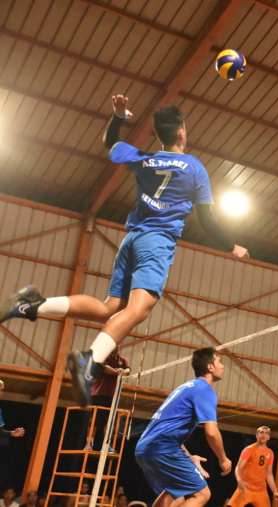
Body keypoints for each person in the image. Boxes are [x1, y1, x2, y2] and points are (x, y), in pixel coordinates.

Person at [0, 95, 249, 408]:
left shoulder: (144, 159)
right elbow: (207, 220)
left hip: (131, 240)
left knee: (110, 307)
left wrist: (118, 116)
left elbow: (110, 142)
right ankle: (89, 360)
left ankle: (31, 304)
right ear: (182, 132)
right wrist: (232, 246)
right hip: (156, 242)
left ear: (158, 134)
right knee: (139, 309)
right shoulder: (194, 168)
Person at [135, 347, 232, 507]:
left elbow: (169, 434)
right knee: (202, 494)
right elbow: (211, 433)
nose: (222, 366)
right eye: (219, 362)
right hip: (163, 448)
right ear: (210, 367)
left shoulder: (187, 387)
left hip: (145, 448)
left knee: (174, 492)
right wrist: (223, 458)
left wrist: (189, 458)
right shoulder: (205, 390)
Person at [87, 346, 131, 451]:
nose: (115, 347)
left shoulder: (122, 359)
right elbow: (105, 369)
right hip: (99, 393)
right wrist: (118, 372)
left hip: (113, 395)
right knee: (95, 420)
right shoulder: (103, 357)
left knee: (110, 421)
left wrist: (123, 371)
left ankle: (107, 445)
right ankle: (89, 444)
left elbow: (128, 370)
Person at [227, 426, 278, 507]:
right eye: (261, 433)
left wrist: (275, 492)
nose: (263, 435)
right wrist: (239, 480)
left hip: (261, 490)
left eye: (266, 433)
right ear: (257, 435)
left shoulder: (270, 453)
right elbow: (238, 468)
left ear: (268, 437)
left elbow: (269, 474)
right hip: (246, 488)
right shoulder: (249, 450)